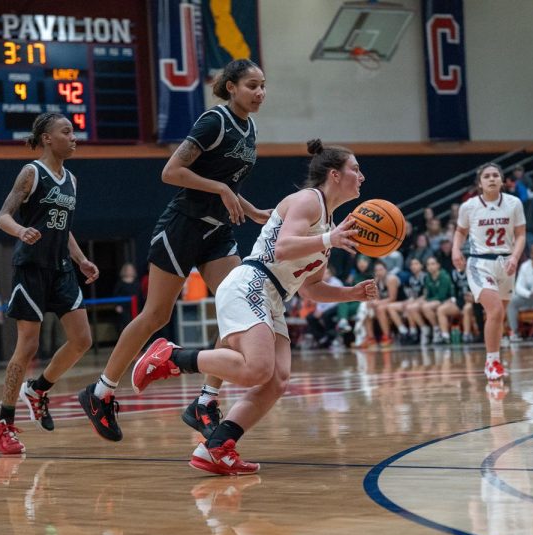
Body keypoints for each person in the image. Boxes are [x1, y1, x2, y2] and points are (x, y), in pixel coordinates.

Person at [123, 139, 377, 475]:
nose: (361, 176)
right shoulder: (308, 201)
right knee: (257, 368)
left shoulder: (329, 224)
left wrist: (352, 293)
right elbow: (284, 248)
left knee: (276, 380)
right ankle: (171, 357)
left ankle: (217, 447)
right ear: (334, 174)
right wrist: (329, 240)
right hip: (251, 282)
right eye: (355, 169)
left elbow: (312, 288)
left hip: (273, 296)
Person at [77, 59, 269, 443]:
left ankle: (205, 401)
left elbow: (226, 181)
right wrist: (221, 190)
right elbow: (171, 172)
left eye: (263, 86)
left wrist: (250, 209)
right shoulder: (213, 121)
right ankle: (100, 392)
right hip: (182, 226)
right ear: (230, 86)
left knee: (238, 312)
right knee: (155, 315)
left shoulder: (249, 128)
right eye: (252, 85)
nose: (260, 93)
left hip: (217, 233)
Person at [0, 112, 100, 455]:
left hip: (62, 268)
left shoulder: (72, 180)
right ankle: (3, 423)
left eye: (74, 132)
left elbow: (62, 229)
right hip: (31, 268)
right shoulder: (31, 172)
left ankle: (38, 389)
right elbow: (3, 216)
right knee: (28, 346)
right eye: (66, 132)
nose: (74, 137)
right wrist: (22, 231)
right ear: (48, 138)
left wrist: (81, 259)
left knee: (82, 339)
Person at [452, 163, 526, 380]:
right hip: (479, 263)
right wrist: (456, 250)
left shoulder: (514, 203)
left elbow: (521, 234)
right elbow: (460, 232)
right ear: (480, 182)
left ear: (502, 181)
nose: (492, 179)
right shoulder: (469, 206)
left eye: (496, 175)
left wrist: (515, 257)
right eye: (487, 176)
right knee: (494, 311)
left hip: (507, 263)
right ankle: (492, 362)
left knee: (498, 315)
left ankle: (495, 359)